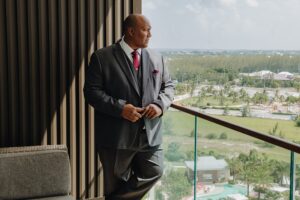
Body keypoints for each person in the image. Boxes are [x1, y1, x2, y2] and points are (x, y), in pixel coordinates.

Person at [84, 14, 174, 200]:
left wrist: (159, 105)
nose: (150, 34)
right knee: (115, 183)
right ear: (131, 31)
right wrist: (120, 109)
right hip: (116, 137)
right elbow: (91, 93)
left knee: (155, 171)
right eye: (146, 29)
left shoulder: (157, 57)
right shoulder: (102, 57)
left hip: (150, 135)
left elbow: (169, 87)